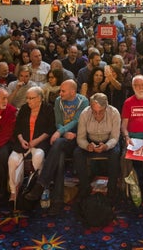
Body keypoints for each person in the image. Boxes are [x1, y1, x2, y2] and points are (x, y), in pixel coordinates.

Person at [24, 80, 89, 215]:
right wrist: (63, 132)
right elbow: (58, 122)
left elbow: (77, 120)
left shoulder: (83, 102)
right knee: (59, 156)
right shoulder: (59, 101)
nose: (60, 93)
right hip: (63, 137)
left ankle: (42, 185)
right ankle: (56, 201)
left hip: (78, 138)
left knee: (58, 145)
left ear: (73, 91)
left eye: (63, 91)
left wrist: (61, 132)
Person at [7, 87, 55, 203]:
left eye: (31, 98)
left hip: (40, 142)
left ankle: (32, 186)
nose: (28, 101)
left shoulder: (48, 109)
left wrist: (36, 141)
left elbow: (50, 129)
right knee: (12, 160)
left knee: (38, 156)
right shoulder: (24, 108)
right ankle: (13, 191)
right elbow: (17, 127)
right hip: (23, 142)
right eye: (27, 98)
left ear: (39, 98)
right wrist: (21, 139)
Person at [74, 92, 121, 202]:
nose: (97, 115)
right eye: (94, 112)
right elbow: (80, 138)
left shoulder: (114, 113)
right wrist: (87, 146)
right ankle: (85, 188)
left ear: (106, 107)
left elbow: (115, 137)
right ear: (90, 108)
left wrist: (106, 146)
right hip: (91, 142)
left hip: (108, 142)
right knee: (77, 153)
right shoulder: (85, 113)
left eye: (101, 112)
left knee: (115, 153)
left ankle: (112, 190)